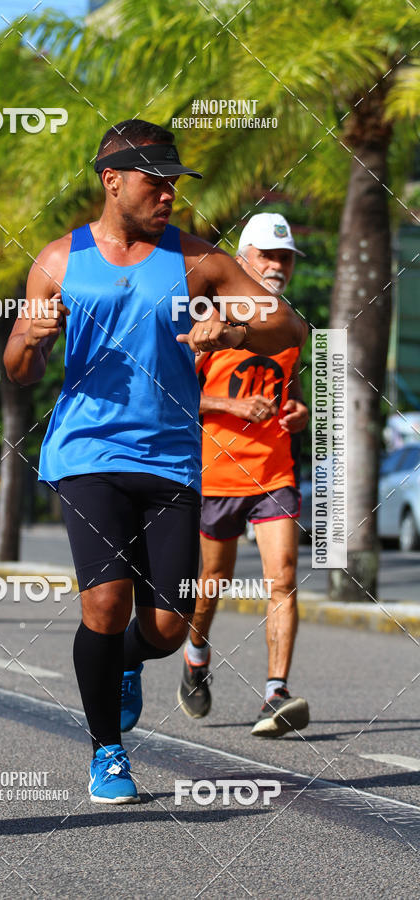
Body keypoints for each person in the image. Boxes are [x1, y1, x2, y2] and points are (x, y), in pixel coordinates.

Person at [4, 122, 306, 803]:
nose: (169, 194)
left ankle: (128, 665)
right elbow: (19, 370)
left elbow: (288, 326)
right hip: (88, 453)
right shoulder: (57, 260)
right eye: (155, 181)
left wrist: (233, 327)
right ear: (111, 179)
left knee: (168, 627)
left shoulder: (199, 260)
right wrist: (30, 338)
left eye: (175, 183)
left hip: (172, 457)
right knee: (105, 602)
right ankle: (107, 750)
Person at [177, 212, 310, 737]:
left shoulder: (291, 325)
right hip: (217, 474)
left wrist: (298, 413)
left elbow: (292, 395)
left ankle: (275, 693)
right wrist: (228, 407)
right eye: (268, 255)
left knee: (283, 578)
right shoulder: (207, 319)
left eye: (286, 258)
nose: (278, 265)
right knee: (212, 583)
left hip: (274, 473)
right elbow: (174, 397)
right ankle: (195, 651)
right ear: (243, 259)